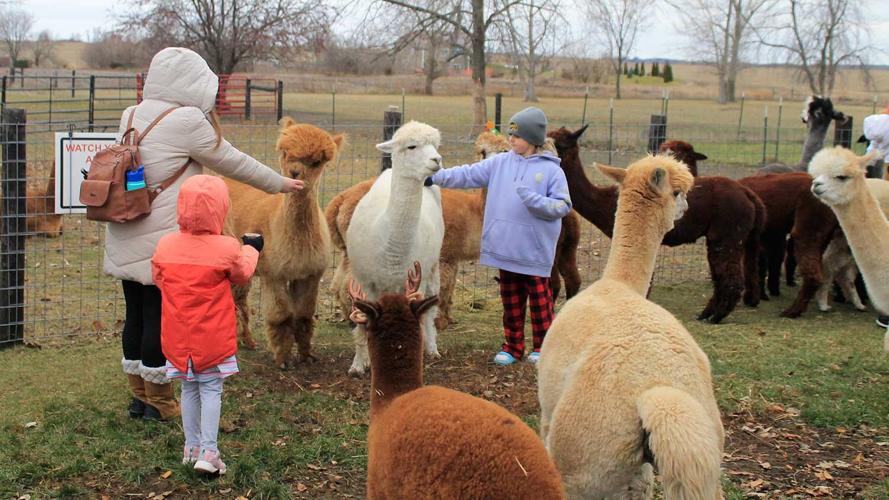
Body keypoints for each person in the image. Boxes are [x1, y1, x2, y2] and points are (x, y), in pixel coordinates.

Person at [106, 47, 304, 422]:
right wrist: (279, 183)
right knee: (158, 316)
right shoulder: (187, 121)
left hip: (126, 223)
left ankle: (138, 397)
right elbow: (233, 161)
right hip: (163, 237)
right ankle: (160, 402)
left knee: (134, 312)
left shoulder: (132, 112)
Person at [429, 107, 571, 365]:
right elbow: (467, 174)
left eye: (517, 136)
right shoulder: (500, 163)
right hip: (506, 250)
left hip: (534, 251)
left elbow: (562, 206)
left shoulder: (552, 172)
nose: (511, 139)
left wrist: (537, 202)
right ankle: (512, 347)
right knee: (511, 303)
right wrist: (435, 177)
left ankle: (542, 347)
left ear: (533, 138)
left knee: (540, 304)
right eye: (511, 134)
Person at [152, 175, 263, 474]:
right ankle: (210, 453)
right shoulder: (226, 247)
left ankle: (191, 449)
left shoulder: (166, 245)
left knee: (188, 389)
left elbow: (159, 279)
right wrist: (252, 247)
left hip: (178, 337)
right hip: (211, 337)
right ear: (221, 209)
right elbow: (242, 274)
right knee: (211, 389)